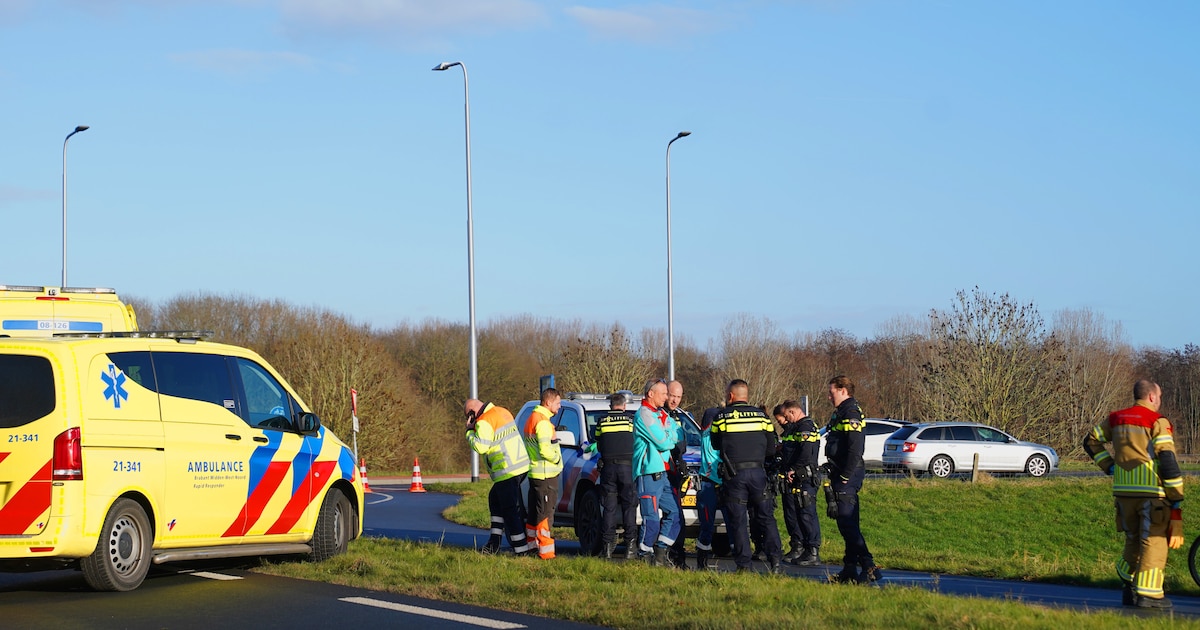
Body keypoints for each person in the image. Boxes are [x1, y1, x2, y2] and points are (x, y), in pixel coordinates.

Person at [1083, 379, 1185, 609]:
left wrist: (1109, 466)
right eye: (1159, 397)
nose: (1159, 401)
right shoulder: (1157, 422)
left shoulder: (1115, 419)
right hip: (1152, 494)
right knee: (1154, 542)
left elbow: (1089, 441)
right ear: (1151, 397)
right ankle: (1150, 595)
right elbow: (1167, 460)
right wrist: (1176, 498)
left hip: (1123, 495)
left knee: (1133, 540)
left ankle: (1127, 576)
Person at [710, 379, 782, 573]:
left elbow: (715, 444)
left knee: (738, 521)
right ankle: (775, 560)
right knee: (766, 517)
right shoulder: (762, 417)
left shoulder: (722, 417)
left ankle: (744, 565)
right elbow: (770, 448)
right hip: (759, 473)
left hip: (735, 475)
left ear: (731, 396)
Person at [825, 375, 881, 583]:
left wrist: (845, 475)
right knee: (847, 524)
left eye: (831, 392)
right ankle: (849, 569)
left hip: (847, 473)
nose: (829, 397)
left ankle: (869, 566)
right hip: (840, 471)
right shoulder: (841, 413)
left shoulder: (850, 413)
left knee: (847, 523)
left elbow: (855, 448)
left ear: (843, 390)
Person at [464, 399, 533, 555]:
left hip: (506, 470)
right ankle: (494, 542)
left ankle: (521, 550)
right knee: (494, 499)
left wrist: (469, 431)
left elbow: (481, 447)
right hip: (520, 466)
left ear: (472, 414)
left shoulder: (484, 421)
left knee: (509, 511)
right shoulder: (502, 411)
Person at [633, 378, 681, 566]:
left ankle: (660, 553)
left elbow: (679, 433)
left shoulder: (661, 414)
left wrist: (669, 436)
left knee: (675, 514)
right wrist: (670, 437)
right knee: (651, 518)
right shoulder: (644, 415)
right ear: (651, 394)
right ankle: (644, 556)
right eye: (664, 393)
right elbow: (663, 441)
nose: (667, 397)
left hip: (665, 474)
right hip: (649, 475)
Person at [592, 392, 639, 559]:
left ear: (611, 406)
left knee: (609, 508)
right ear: (624, 405)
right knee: (629, 506)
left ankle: (607, 548)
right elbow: (636, 441)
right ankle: (630, 547)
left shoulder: (602, 421)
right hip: (627, 468)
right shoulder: (630, 421)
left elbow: (597, 440)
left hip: (608, 469)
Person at [523, 387, 563, 559]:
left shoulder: (532, 418)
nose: (559, 406)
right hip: (546, 474)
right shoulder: (544, 423)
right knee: (546, 514)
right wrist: (556, 459)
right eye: (558, 403)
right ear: (548, 402)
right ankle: (546, 552)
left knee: (534, 512)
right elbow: (546, 450)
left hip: (535, 473)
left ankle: (532, 547)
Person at [780, 399, 822, 565]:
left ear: (792, 412)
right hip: (800, 477)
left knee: (807, 514)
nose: (786, 420)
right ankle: (806, 549)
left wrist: (794, 469)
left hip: (805, 476)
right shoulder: (799, 427)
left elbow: (805, 454)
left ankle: (812, 551)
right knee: (801, 514)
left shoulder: (806, 427)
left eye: (786, 416)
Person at [664, 380, 693, 569]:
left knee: (678, 518)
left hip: (676, 471)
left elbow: (681, 447)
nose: (675, 400)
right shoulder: (660, 414)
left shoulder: (677, 416)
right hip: (662, 472)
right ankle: (669, 557)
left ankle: (676, 558)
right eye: (672, 396)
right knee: (671, 517)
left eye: (678, 397)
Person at [694, 406, 724, 570]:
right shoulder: (711, 436)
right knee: (709, 525)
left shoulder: (705, 434)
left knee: (707, 525)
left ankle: (702, 561)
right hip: (712, 483)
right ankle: (702, 561)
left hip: (710, 483)